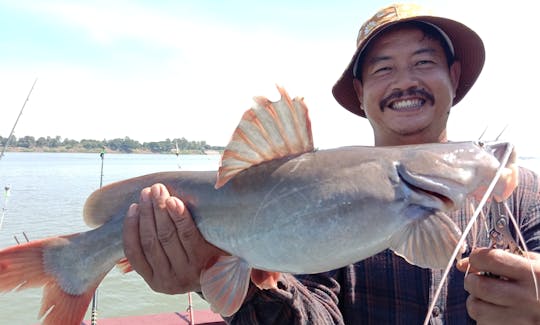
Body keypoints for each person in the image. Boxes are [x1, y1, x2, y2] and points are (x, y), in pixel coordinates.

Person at [122, 4, 540, 324]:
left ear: (454, 74)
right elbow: (313, 316)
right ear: (360, 92)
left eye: (423, 62)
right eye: (383, 68)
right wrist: (240, 285)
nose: (404, 80)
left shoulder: (528, 195)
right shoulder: (324, 188)